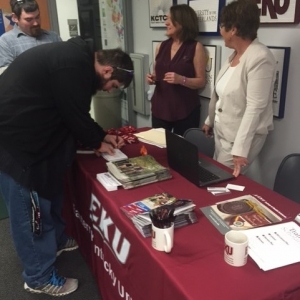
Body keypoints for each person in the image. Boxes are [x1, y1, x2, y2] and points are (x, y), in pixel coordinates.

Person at [0, 36, 134, 296]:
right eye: (112, 85)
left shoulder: (77, 61)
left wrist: (101, 136)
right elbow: (74, 116)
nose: (108, 91)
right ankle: (38, 277)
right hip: (19, 146)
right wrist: (97, 141)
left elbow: (76, 113)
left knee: (49, 194)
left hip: (33, 137)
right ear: (106, 70)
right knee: (30, 212)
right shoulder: (73, 66)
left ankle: (57, 240)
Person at [202, 0, 276, 177]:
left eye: (222, 26)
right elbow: (222, 94)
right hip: (222, 133)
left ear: (233, 29)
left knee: (221, 182)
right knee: (216, 180)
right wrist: (210, 120)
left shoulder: (260, 57)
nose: (220, 31)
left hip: (238, 139)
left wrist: (240, 150)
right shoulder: (235, 55)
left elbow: (255, 107)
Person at [146, 4, 206, 136]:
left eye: (170, 19)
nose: (166, 23)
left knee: (182, 152)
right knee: (158, 149)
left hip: (186, 111)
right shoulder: (160, 46)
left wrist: (181, 80)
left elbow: (201, 81)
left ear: (182, 22)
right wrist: (152, 78)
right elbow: (158, 74)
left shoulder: (196, 47)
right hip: (160, 109)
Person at [0, 0, 61, 74]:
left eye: (37, 17)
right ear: (15, 18)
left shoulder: (53, 37)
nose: (35, 23)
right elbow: (6, 75)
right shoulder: (5, 41)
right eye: (29, 19)